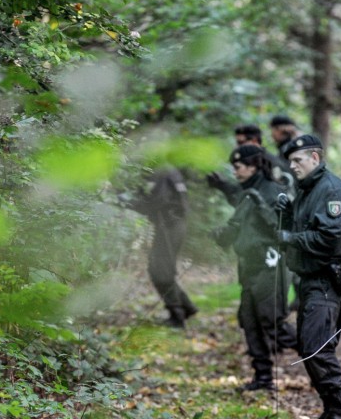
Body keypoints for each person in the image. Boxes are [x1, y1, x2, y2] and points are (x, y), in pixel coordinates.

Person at [275, 134, 341, 419]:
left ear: (315, 158)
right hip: (310, 279)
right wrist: (286, 219)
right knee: (310, 345)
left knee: (316, 347)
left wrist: (289, 238)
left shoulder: (331, 190)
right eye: (290, 161)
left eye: (297, 160)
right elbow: (305, 230)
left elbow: (328, 240)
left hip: (326, 279)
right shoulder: (309, 190)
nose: (292, 166)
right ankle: (334, 407)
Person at [212, 145, 298, 391]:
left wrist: (262, 206)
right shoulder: (247, 191)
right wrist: (223, 235)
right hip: (248, 267)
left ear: (252, 166)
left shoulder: (273, 191)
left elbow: (282, 229)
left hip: (270, 266)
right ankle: (262, 377)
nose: (235, 172)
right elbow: (240, 225)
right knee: (249, 321)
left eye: (238, 167)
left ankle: (315, 353)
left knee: (272, 321)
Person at [123, 166, 198, 328]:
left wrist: (127, 201)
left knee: (161, 270)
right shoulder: (168, 171)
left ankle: (177, 314)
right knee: (160, 268)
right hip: (171, 224)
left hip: (169, 225)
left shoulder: (162, 172)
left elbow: (157, 202)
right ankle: (186, 307)